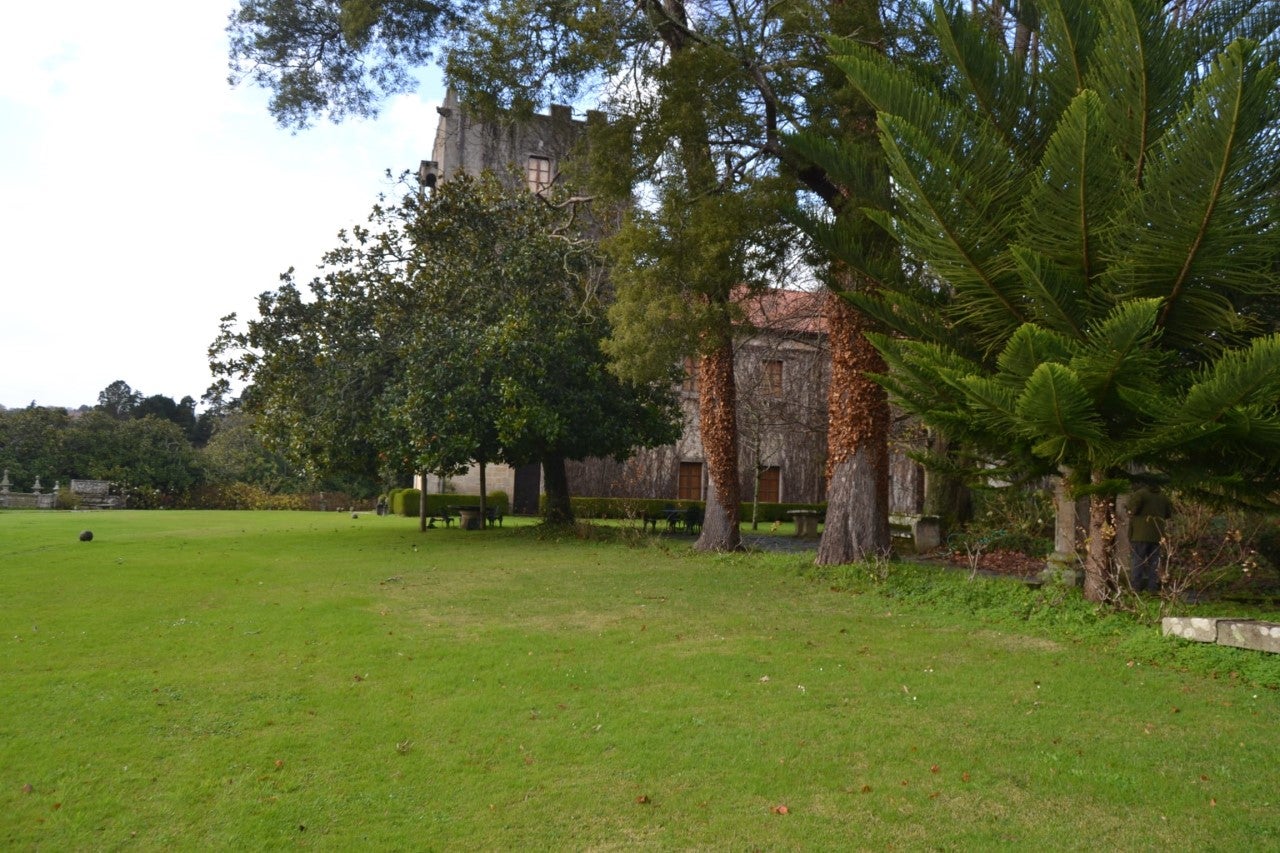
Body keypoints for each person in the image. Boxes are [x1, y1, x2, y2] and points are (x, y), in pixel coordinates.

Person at [1128, 479, 1173, 593]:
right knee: (1155, 563)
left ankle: (1135, 588)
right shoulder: (1163, 496)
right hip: (1157, 535)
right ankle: (1153, 588)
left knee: (1138, 562)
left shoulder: (1140, 494)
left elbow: (1132, 510)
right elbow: (1168, 514)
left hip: (1139, 534)